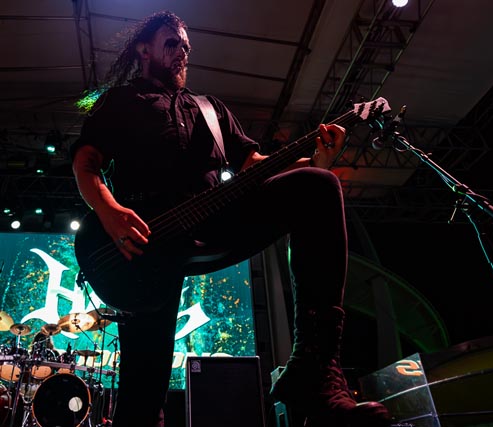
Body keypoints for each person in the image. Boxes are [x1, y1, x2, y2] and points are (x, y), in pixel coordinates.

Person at [70, 10, 390, 427]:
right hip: (145, 242)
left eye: (186, 45)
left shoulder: (209, 108)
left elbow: (255, 164)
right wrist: (109, 212)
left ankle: (313, 370)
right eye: (172, 42)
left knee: (317, 185)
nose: (182, 51)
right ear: (144, 50)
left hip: (213, 221)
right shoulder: (120, 101)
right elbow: (86, 163)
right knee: (142, 398)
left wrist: (317, 159)